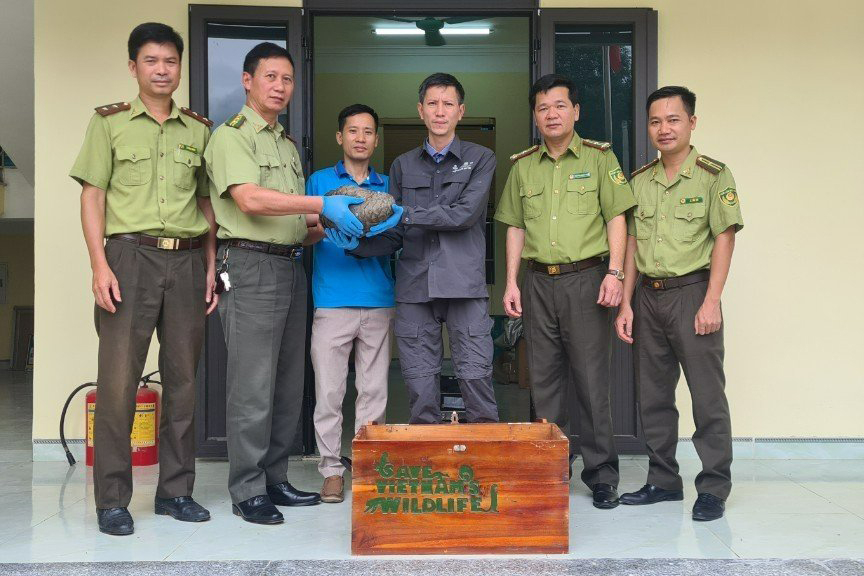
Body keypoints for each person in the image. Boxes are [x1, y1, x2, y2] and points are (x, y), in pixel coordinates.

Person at [203, 42, 368, 525]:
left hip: (290, 266)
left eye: (287, 79)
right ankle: (247, 488)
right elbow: (250, 200)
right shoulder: (233, 136)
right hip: (250, 267)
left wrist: (339, 224)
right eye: (270, 77)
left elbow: (295, 222)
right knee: (252, 385)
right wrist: (321, 206)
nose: (280, 87)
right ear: (248, 80)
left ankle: (275, 478)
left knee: (287, 383)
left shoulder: (286, 143)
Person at [70, 22, 217, 535]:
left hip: (187, 261)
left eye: (170, 62)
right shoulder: (108, 123)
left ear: (180, 68)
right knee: (118, 383)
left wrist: (211, 266)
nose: (162, 70)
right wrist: (99, 265)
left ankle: (176, 493)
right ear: (133, 66)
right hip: (128, 259)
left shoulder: (199, 129)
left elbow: (205, 202)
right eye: (151, 61)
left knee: (184, 382)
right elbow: (92, 195)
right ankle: (112, 500)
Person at [494, 74, 636, 509]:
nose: (551, 114)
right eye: (543, 108)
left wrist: (614, 272)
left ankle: (601, 473)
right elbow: (515, 226)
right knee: (544, 380)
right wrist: (512, 281)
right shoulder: (522, 166)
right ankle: (550, 466)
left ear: (576, 111)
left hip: (586, 281)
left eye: (559, 105)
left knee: (592, 381)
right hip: (537, 282)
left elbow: (617, 218)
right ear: (535, 116)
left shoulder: (599, 159)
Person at [337, 73, 499, 425]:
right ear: (421, 111)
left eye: (448, 104)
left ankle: (488, 469)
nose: (440, 111)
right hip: (415, 286)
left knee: (475, 376)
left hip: (463, 286)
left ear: (461, 112)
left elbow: (464, 215)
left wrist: (404, 213)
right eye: (432, 104)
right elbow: (395, 232)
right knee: (419, 382)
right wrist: (356, 243)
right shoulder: (402, 165)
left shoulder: (481, 158)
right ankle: (429, 468)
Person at [615, 86, 743, 521]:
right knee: (652, 397)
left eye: (673, 119)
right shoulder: (640, 179)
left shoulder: (713, 175)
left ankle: (713, 487)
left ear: (692, 122)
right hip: (648, 297)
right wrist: (626, 303)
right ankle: (663, 480)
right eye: (656, 121)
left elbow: (724, 239)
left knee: (707, 397)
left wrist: (712, 301)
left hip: (692, 294)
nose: (664, 128)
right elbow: (631, 245)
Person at [307, 104, 395, 503]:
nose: (360, 138)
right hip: (331, 300)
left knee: (373, 390)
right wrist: (328, 225)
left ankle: (366, 464)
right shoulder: (320, 181)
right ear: (340, 137)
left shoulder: (389, 185)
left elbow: (399, 237)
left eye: (368, 132)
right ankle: (330, 469)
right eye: (353, 131)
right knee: (329, 391)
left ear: (376, 140)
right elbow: (302, 230)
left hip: (379, 299)